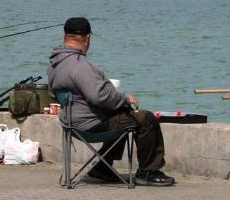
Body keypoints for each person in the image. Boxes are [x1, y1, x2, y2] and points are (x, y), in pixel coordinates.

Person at [47, 17, 175, 186]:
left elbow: (52, 93)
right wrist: (124, 98)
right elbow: (98, 96)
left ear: (65, 35)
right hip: (91, 125)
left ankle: (102, 169)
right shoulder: (80, 66)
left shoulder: (55, 65)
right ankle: (148, 171)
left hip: (70, 123)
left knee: (120, 116)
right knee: (145, 119)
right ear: (87, 38)